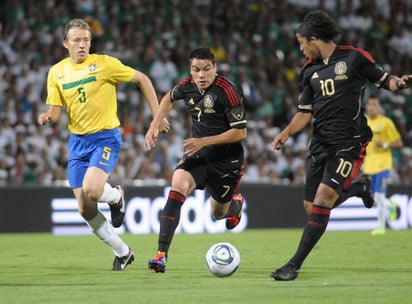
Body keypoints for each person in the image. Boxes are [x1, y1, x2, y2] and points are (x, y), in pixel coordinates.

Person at [270, 10, 412, 281]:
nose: (300, 49)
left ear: (314, 39)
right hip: (319, 145)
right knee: (312, 208)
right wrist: (286, 132)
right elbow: (304, 111)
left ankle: (293, 265)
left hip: (349, 143)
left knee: (324, 199)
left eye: (301, 43)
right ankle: (358, 188)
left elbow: (385, 80)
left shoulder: (354, 57)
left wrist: (400, 83)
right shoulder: (309, 70)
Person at [37, 19, 169, 271]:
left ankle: (116, 196)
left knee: (93, 189)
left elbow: (142, 79)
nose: (82, 45)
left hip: (104, 138)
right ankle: (123, 252)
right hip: (77, 143)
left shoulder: (105, 64)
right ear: (66, 44)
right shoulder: (57, 72)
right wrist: (47, 118)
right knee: (85, 210)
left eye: (86, 40)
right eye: (76, 40)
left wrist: (157, 116)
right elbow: (55, 109)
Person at [144, 47, 247, 273]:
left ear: (215, 68)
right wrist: (155, 122)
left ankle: (235, 205)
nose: (201, 75)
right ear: (190, 70)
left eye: (206, 69)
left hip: (227, 160)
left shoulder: (228, 91)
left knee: (218, 213)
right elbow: (168, 98)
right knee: (178, 183)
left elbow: (240, 133)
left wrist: (203, 141)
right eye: (196, 70)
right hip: (199, 155)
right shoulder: (186, 86)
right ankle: (161, 254)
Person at [363, 94, 403, 235]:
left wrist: (385, 144)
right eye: (370, 105)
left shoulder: (386, 123)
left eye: (375, 105)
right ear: (366, 107)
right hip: (368, 165)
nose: (372, 107)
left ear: (379, 107)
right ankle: (390, 205)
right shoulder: (364, 122)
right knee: (374, 197)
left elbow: (399, 143)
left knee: (379, 196)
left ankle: (381, 226)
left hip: (383, 164)